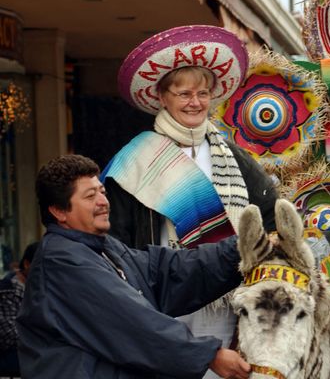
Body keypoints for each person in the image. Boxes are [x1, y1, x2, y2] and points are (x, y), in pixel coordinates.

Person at [102, 26, 278, 374]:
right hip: (166, 299)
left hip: (229, 296)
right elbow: (115, 238)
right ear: (162, 97)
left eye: (202, 93)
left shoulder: (233, 155)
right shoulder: (135, 159)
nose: (195, 103)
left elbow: (269, 216)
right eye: (183, 94)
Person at [17, 154, 251, 378]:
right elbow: (131, 321)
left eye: (102, 192)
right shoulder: (61, 261)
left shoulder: (105, 247)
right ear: (58, 211)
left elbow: (170, 272)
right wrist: (209, 355)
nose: (103, 202)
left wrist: (243, 247)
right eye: (90, 196)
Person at [0, 241, 38, 375]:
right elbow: (8, 336)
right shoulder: (7, 291)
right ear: (27, 264)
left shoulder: (43, 288)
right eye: (41, 267)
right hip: (14, 361)